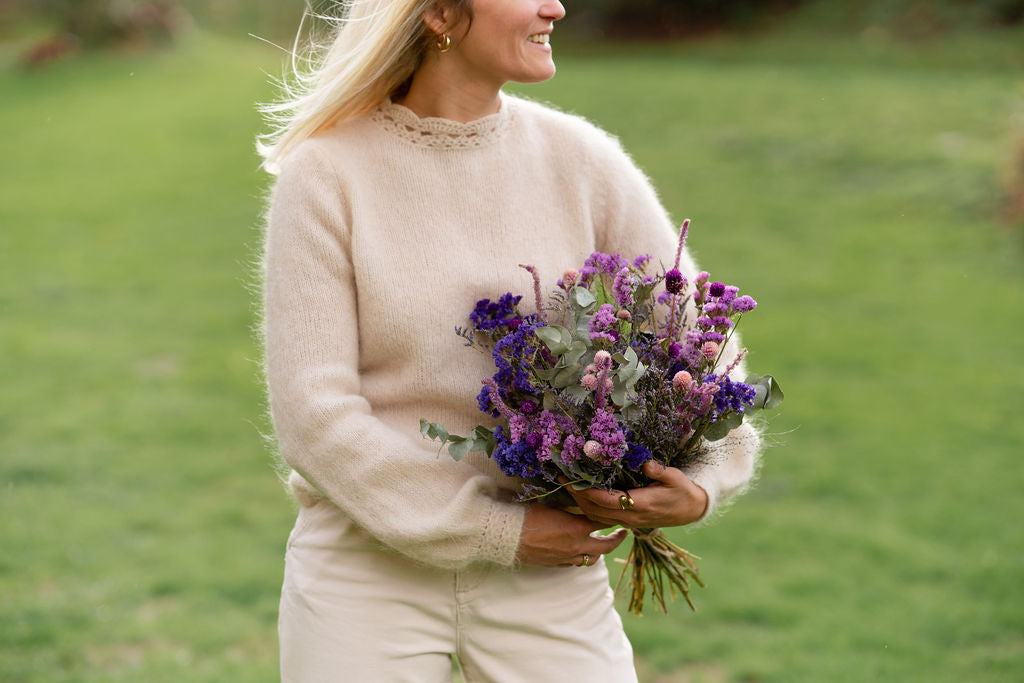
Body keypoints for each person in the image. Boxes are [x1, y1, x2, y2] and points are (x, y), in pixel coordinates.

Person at [258, 1, 761, 680]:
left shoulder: (581, 159)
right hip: (365, 568)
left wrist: (698, 483)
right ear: (440, 14)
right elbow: (313, 413)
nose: (556, 6)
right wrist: (497, 532)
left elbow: (702, 345)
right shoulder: (326, 174)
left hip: (553, 569)